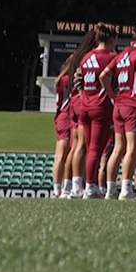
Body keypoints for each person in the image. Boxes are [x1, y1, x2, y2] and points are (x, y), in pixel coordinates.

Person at [101, 24, 136, 200]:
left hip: (119, 105)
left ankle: (109, 190)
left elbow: (102, 75)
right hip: (133, 105)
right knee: (132, 148)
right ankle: (126, 189)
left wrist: (112, 94)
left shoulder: (121, 54)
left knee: (118, 149)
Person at [77, 24, 118, 199]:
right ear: (110, 40)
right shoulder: (111, 57)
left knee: (89, 149)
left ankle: (88, 186)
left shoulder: (86, 57)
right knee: (95, 149)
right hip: (100, 107)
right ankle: (90, 188)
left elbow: (79, 80)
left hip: (85, 106)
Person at [52, 34, 91, 199]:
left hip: (62, 115)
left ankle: (59, 187)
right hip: (66, 115)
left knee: (65, 152)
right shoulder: (67, 79)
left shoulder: (60, 79)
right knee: (65, 152)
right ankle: (59, 188)